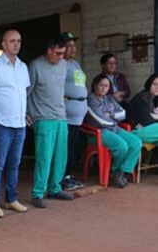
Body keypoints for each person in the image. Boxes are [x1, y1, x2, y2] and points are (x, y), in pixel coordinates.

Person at [0, 29, 30, 218]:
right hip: (1, 123)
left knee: (14, 164)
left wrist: (24, 114)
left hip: (19, 124)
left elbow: (22, 94)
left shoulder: (23, 67)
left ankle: (11, 199)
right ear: (3, 44)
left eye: (19, 41)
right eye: (12, 41)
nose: (16, 44)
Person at [27, 36, 74, 208]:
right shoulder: (35, 66)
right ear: (49, 50)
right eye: (58, 53)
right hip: (43, 118)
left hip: (61, 116)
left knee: (61, 156)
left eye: (63, 53)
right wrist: (25, 113)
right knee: (44, 158)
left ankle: (55, 188)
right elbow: (26, 91)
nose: (61, 57)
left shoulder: (63, 65)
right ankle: (38, 193)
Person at [85, 76, 142, 187]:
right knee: (122, 146)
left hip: (115, 129)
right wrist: (114, 119)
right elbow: (100, 120)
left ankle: (122, 171)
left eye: (106, 86)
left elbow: (123, 113)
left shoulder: (109, 99)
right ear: (95, 85)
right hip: (99, 132)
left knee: (136, 142)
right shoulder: (90, 100)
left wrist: (110, 115)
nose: (103, 88)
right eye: (101, 85)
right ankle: (116, 170)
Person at [60, 31, 87, 191]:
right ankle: (63, 177)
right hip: (67, 114)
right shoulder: (60, 64)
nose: (72, 49)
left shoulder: (75, 64)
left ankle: (69, 175)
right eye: (68, 46)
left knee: (75, 146)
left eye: (73, 46)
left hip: (79, 114)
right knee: (66, 147)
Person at [127, 73, 158, 144]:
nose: (157, 87)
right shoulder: (142, 98)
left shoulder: (155, 98)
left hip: (149, 130)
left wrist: (153, 115)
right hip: (136, 131)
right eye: (154, 84)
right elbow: (147, 121)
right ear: (149, 85)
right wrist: (155, 116)